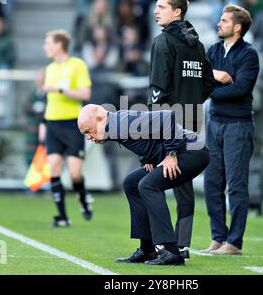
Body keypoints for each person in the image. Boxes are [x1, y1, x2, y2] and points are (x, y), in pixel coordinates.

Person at [77, 104, 210, 266]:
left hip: (192, 151)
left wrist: (171, 154)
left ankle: (171, 251)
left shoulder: (120, 122)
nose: (88, 137)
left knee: (147, 185)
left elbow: (168, 117)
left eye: (88, 131)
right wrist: (148, 159)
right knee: (132, 183)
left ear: (100, 119)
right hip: (180, 151)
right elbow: (146, 138)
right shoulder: (113, 126)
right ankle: (147, 249)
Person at [147, 0, 215, 259]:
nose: (156, 10)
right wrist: (193, 102)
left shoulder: (163, 42)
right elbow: (209, 83)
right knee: (183, 184)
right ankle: (182, 244)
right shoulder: (196, 44)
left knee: (148, 182)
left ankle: (160, 244)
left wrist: (154, 128)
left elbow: (157, 92)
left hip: (168, 120)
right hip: (193, 120)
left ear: (177, 12)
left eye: (162, 6)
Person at [202, 4, 259, 255]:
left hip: (238, 125)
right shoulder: (213, 51)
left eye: (224, 21)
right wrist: (214, 74)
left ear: (237, 27)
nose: (218, 23)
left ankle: (234, 242)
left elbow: (240, 89)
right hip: (214, 124)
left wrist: (211, 91)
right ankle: (218, 238)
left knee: (236, 186)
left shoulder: (249, 55)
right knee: (212, 183)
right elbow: (198, 81)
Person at [42, 29, 94, 227]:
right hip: (53, 123)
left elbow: (85, 93)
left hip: (72, 124)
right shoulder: (50, 68)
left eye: (48, 43)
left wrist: (61, 89)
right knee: (54, 167)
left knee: (74, 173)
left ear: (58, 45)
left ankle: (83, 197)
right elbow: (48, 100)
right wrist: (42, 124)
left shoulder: (77, 65)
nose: (45, 47)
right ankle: (62, 217)